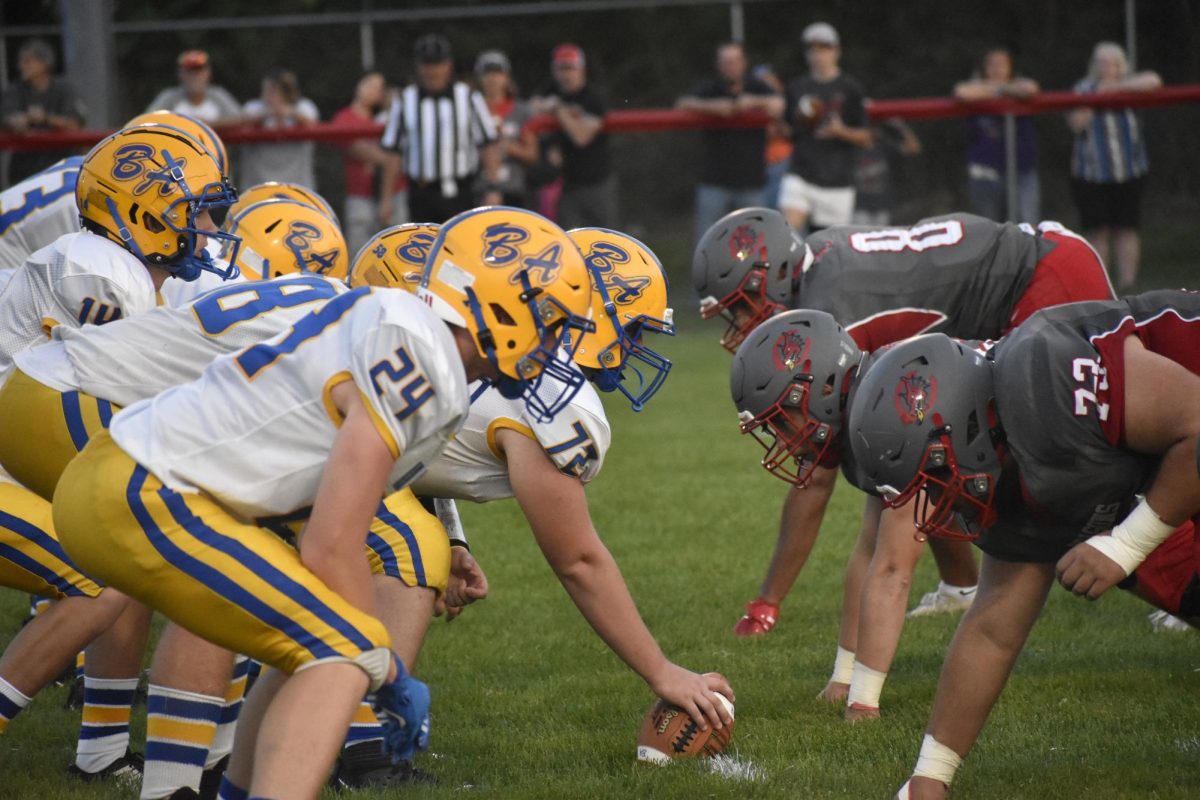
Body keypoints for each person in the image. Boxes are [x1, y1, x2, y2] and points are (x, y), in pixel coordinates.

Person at [49, 206, 594, 798]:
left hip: (132, 483)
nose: (557, 341)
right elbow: (331, 546)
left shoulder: (410, 331)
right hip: (144, 490)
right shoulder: (423, 353)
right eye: (551, 320)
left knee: (311, 643)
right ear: (500, 304)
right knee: (342, 648)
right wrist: (385, 665)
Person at [694, 207, 1116, 713]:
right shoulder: (822, 276)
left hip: (1044, 277)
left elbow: (843, 513)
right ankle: (963, 586)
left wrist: (770, 604)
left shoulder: (830, 320)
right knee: (924, 459)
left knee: (1087, 468)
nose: (741, 326)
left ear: (777, 277)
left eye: (743, 307)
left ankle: (1171, 558)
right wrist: (844, 675)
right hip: (1023, 275)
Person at [347, 225, 732, 760]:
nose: (637, 346)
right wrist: (661, 671)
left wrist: (455, 538)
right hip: (319, 452)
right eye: (635, 328)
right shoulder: (558, 396)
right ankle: (364, 745)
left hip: (326, 440)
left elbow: (421, 444)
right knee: (411, 548)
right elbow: (577, 559)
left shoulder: (494, 335)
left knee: (424, 543)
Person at [846, 294, 1200, 798]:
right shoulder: (1002, 458)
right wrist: (929, 777)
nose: (933, 499)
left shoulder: (1044, 371)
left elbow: (1197, 424)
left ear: (963, 427)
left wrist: (1125, 545)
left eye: (934, 475)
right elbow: (993, 629)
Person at [0, 121, 236, 782]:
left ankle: (102, 754)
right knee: (104, 576)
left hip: (13, 459)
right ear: (143, 210)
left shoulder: (119, 268)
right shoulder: (95, 271)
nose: (212, 224)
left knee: (124, 552)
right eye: (196, 210)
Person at [1068, 42, 1162, 292]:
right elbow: (1076, 124)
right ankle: (1099, 284)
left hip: (1128, 171)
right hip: (1092, 172)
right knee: (1098, 232)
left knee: (1127, 229)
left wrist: (1115, 88)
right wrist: (1098, 95)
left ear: (1122, 66)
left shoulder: (1132, 87)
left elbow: (1154, 81)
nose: (1106, 67)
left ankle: (1128, 284)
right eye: (1101, 62)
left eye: (1112, 62)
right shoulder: (1084, 88)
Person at [379, 35, 502, 224]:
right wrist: (386, 198)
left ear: (448, 65)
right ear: (418, 67)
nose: (432, 71)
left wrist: (493, 187)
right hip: (420, 192)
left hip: (461, 191)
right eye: (427, 64)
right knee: (423, 248)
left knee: (461, 248)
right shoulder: (405, 100)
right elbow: (394, 153)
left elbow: (487, 144)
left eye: (437, 64)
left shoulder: (468, 97)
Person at [676, 43, 783, 242]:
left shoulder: (756, 87)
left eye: (734, 61)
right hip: (714, 180)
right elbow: (682, 103)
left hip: (751, 181)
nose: (730, 66)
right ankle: (708, 274)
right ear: (718, 65)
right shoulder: (711, 89)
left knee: (758, 241)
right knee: (707, 240)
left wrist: (752, 103)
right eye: (725, 62)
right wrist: (716, 108)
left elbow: (780, 104)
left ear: (744, 63)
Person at [779, 23, 871, 232]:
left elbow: (866, 137)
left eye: (824, 49)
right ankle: (788, 265)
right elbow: (785, 131)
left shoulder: (850, 88)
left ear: (836, 51)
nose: (818, 55)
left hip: (837, 179)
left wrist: (841, 131)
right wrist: (788, 119)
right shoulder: (796, 87)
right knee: (787, 234)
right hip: (801, 173)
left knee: (827, 250)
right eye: (813, 49)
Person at [532, 44, 617, 229]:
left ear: (581, 69)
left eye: (570, 68)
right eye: (561, 69)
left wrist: (558, 109)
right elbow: (531, 108)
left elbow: (581, 137)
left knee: (604, 238)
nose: (566, 74)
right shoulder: (551, 90)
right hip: (566, 185)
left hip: (596, 181)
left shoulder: (593, 97)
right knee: (568, 240)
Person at [953, 47, 1040, 223]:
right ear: (984, 68)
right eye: (992, 65)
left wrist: (998, 89)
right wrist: (1001, 90)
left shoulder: (1019, 84)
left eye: (1002, 64)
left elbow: (1030, 89)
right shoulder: (976, 88)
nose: (997, 69)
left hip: (1021, 169)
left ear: (1011, 67)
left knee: (1026, 225)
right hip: (986, 171)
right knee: (988, 227)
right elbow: (962, 92)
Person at [332, 72, 408, 255]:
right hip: (361, 196)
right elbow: (361, 150)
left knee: (398, 252)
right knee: (360, 254)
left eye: (379, 88)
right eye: (369, 84)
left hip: (394, 193)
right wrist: (388, 158)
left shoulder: (388, 119)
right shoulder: (344, 118)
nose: (372, 91)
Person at [1, 38, 87, 183]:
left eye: (28, 61)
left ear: (44, 63)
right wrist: (16, 122)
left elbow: (75, 124)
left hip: (60, 166)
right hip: (25, 167)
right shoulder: (16, 90)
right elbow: (6, 118)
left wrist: (45, 118)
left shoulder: (63, 89)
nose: (22, 66)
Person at [476, 50, 540, 209]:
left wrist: (507, 146)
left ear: (506, 77)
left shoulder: (522, 111)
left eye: (497, 73)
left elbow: (532, 154)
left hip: (513, 189)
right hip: (477, 189)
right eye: (487, 74)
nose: (492, 79)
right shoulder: (472, 110)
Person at [238, 68, 319, 190]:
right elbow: (240, 126)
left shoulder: (304, 107)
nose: (270, 95)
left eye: (276, 90)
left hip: (298, 187)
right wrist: (263, 117)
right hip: (258, 187)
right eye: (268, 89)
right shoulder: (253, 108)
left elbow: (315, 128)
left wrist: (292, 114)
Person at [144, 50, 242, 130]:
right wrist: (193, 124)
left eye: (199, 71)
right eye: (189, 71)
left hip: (215, 153)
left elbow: (240, 120)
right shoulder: (169, 97)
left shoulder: (218, 95)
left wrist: (209, 124)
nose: (195, 76)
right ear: (180, 74)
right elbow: (147, 121)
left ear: (208, 73)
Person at [851, 117, 921, 225]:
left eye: (876, 126)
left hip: (881, 204)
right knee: (857, 236)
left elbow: (914, 148)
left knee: (880, 237)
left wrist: (901, 127)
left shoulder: (884, 146)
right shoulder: (852, 147)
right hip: (858, 205)